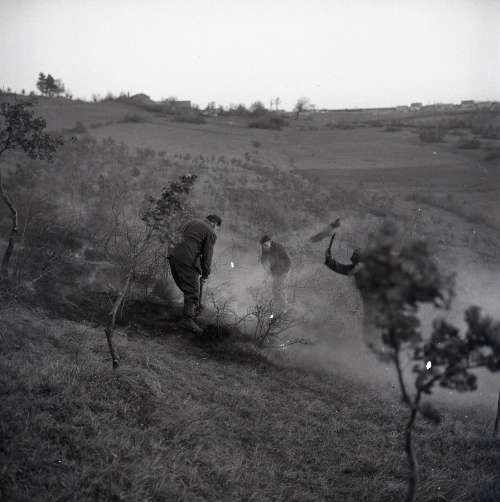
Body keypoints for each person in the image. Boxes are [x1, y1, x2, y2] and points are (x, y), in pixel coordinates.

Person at [168, 214, 222, 334]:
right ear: (214, 224)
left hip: (172, 255)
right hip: (186, 259)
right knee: (192, 291)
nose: (216, 231)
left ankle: (190, 310)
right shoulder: (210, 232)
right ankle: (187, 320)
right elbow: (207, 256)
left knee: (187, 288)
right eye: (217, 228)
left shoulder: (190, 221)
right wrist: (205, 274)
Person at [259, 235, 291, 310]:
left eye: (265, 245)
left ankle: (283, 307)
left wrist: (283, 272)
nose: (264, 247)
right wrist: (265, 267)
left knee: (278, 288)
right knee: (274, 288)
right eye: (263, 246)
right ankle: (277, 304)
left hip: (283, 270)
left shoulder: (278, 248)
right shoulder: (265, 247)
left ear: (269, 242)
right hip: (275, 271)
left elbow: (285, 261)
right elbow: (263, 258)